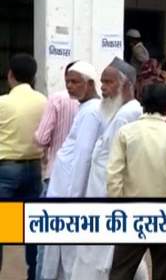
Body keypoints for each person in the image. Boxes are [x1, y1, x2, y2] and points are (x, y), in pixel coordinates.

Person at [71, 58, 147, 280]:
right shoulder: (117, 111)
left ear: (126, 85)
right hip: (100, 193)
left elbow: (119, 163)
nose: (103, 87)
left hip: (108, 196)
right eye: (102, 82)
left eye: (108, 82)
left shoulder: (127, 114)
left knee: (104, 256)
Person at [107, 84, 166, 280]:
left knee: (121, 272)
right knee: (162, 272)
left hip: (132, 214)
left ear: (142, 102)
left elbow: (114, 175)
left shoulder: (126, 133)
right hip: (165, 216)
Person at [42, 61, 103, 280]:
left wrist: (75, 200)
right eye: (67, 81)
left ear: (90, 84)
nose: (69, 86)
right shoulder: (85, 108)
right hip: (63, 189)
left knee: (69, 259)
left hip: (70, 195)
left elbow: (83, 158)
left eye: (75, 82)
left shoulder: (91, 112)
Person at [0, 54, 47, 280]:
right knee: (31, 227)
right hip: (34, 169)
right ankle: (33, 275)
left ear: (10, 75)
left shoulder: (3, 103)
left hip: (6, 170)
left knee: (3, 227)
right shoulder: (44, 101)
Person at [34, 61, 79, 280]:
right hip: (79, 179)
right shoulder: (93, 105)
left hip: (54, 176)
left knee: (46, 239)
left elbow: (42, 138)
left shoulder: (57, 99)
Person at [35, 61, 79, 190]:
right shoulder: (97, 103)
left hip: (56, 170)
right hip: (82, 173)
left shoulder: (57, 99)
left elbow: (42, 138)